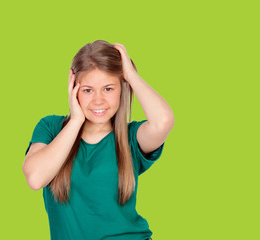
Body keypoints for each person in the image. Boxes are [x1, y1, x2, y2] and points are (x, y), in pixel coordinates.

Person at [22, 40, 174, 240]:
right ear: (73, 88)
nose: (98, 100)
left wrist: (130, 75)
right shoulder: (51, 128)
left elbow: (163, 121)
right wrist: (76, 120)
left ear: (122, 89)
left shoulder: (130, 138)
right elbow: (35, 178)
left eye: (108, 89)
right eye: (88, 90)